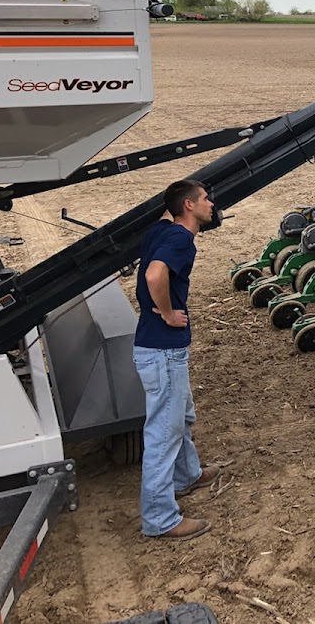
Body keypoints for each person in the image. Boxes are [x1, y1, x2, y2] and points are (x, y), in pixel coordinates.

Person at [133, 179, 222, 541]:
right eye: (205, 199)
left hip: (158, 348)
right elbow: (155, 274)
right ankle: (160, 519)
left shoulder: (162, 229)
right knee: (164, 435)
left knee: (181, 417)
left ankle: (187, 476)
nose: (211, 204)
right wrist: (169, 313)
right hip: (163, 350)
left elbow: (165, 214)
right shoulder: (180, 238)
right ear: (188, 206)